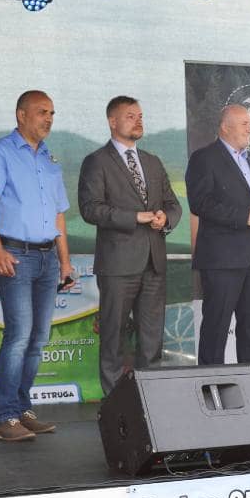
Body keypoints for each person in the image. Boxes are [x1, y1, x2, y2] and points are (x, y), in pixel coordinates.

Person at [0, 90, 74, 441]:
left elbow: (59, 214)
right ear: (21, 114)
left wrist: (65, 261)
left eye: (52, 113)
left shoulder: (49, 158)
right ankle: (5, 417)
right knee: (19, 335)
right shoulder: (0, 152)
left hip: (49, 259)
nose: (48, 119)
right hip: (16, 255)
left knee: (38, 337)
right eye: (41, 112)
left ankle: (21, 409)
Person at [78, 96, 181, 395]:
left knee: (152, 341)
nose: (138, 121)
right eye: (130, 116)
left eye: (140, 116)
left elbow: (173, 204)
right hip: (117, 265)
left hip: (153, 263)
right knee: (113, 338)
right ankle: (115, 405)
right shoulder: (97, 161)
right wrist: (135, 217)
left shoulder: (152, 161)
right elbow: (90, 209)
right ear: (112, 122)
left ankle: (151, 402)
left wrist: (166, 218)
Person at [185, 104, 250, 365]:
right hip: (221, 262)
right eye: (245, 124)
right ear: (225, 127)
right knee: (216, 331)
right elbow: (200, 203)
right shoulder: (204, 158)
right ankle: (211, 386)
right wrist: (245, 216)